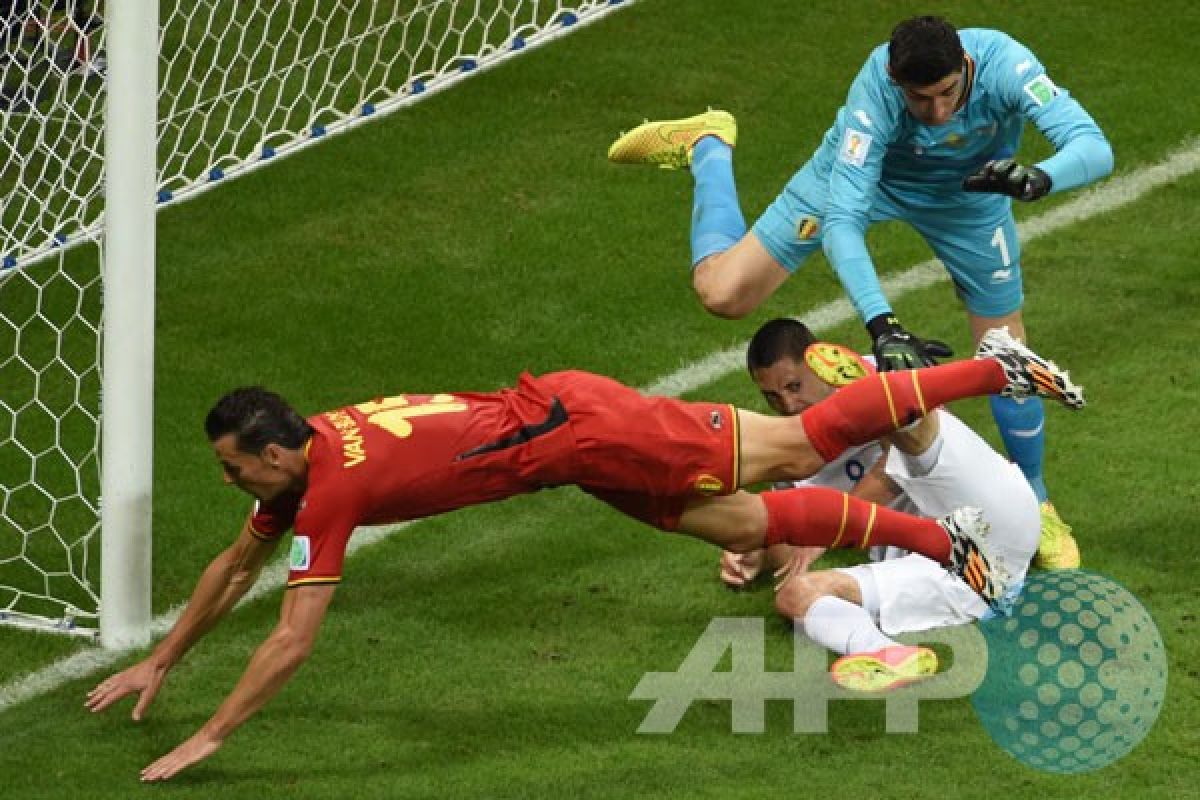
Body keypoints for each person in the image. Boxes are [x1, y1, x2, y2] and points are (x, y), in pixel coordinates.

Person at [84, 329, 1082, 781]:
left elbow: (293, 639)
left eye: (231, 468)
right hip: (569, 450)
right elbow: (232, 565)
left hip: (585, 427)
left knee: (799, 442)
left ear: (271, 450)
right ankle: (936, 541)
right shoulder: (313, 458)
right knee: (741, 525)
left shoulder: (329, 490)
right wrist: (163, 656)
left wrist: (213, 732)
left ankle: (993, 367)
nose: (231, 485)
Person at [608, 15, 1113, 569]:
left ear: (965, 68)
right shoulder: (874, 91)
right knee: (723, 293)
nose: (939, 112)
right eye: (922, 99)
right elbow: (843, 220)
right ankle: (707, 144)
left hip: (969, 196)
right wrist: (883, 324)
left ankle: (1037, 499)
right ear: (899, 84)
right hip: (865, 181)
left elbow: (1092, 145)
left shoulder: (1006, 65)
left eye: (949, 93)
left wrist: (1040, 177)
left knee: (1007, 351)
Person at [721, 318, 1040, 691]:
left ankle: (972, 378)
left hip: (975, 502)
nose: (788, 404)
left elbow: (890, 472)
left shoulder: (881, 366)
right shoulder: (789, 449)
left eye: (794, 386)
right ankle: (883, 653)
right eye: (773, 397)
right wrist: (757, 550)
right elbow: (792, 543)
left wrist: (831, 527)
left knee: (911, 428)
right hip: (951, 565)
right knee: (796, 595)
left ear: (816, 362)